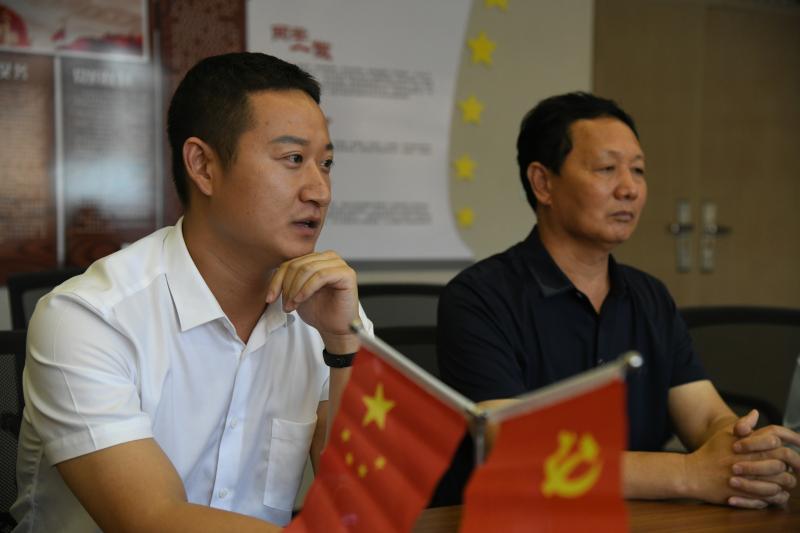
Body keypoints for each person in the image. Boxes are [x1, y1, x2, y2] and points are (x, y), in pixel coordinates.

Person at [12, 52, 371, 532]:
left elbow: (360, 499)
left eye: (325, 164)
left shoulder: (325, 312)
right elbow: (154, 520)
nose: (320, 191)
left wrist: (344, 346)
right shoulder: (88, 318)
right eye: (293, 160)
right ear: (203, 166)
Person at [436, 92, 799, 508]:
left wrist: (744, 454)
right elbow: (514, 448)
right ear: (543, 183)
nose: (629, 189)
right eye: (606, 169)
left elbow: (706, 418)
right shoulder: (479, 297)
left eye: (638, 170)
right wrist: (687, 473)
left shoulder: (650, 297)